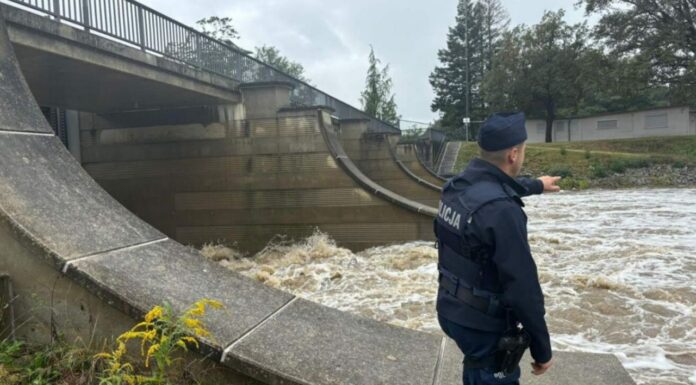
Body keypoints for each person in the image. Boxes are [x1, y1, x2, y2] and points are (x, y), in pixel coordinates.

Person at [435, 112, 560, 385]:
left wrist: (537, 185)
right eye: (523, 151)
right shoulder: (503, 212)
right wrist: (542, 349)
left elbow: (492, 188)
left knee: (477, 367)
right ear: (513, 154)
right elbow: (523, 288)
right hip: (482, 324)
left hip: (451, 306)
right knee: (490, 372)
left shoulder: (455, 188)